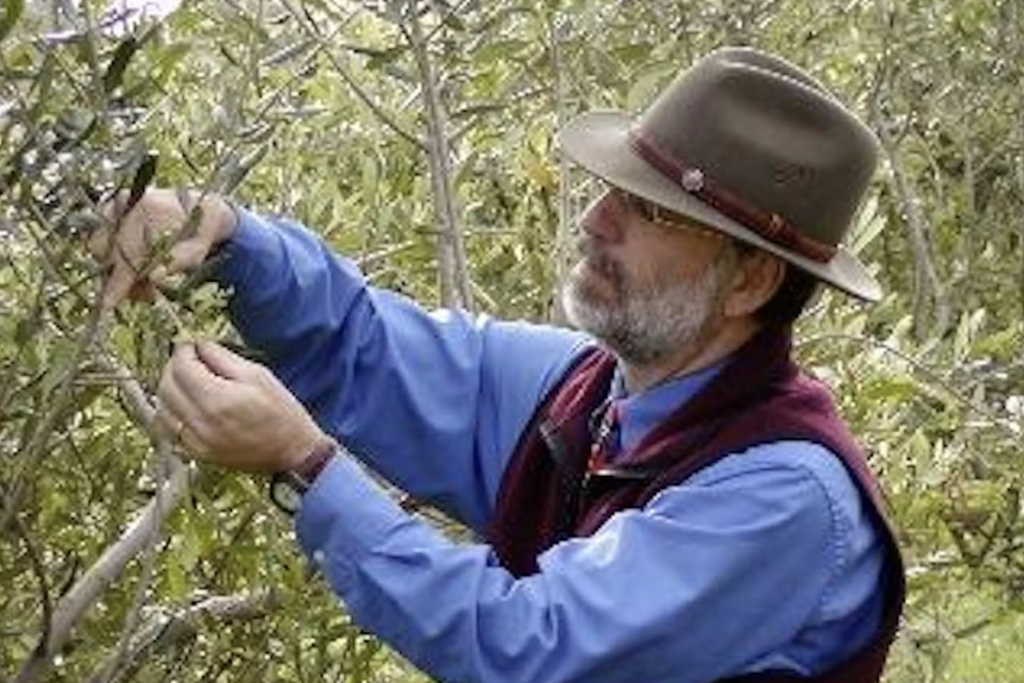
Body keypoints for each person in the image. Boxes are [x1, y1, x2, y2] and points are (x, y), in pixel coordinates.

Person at [95, 47, 904, 683]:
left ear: (751, 280)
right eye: (613, 188)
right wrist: (223, 235)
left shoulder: (785, 499)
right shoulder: (584, 394)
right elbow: (360, 344)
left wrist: (305, 466)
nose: (594, 220)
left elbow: (529, 650)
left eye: (648, 209)